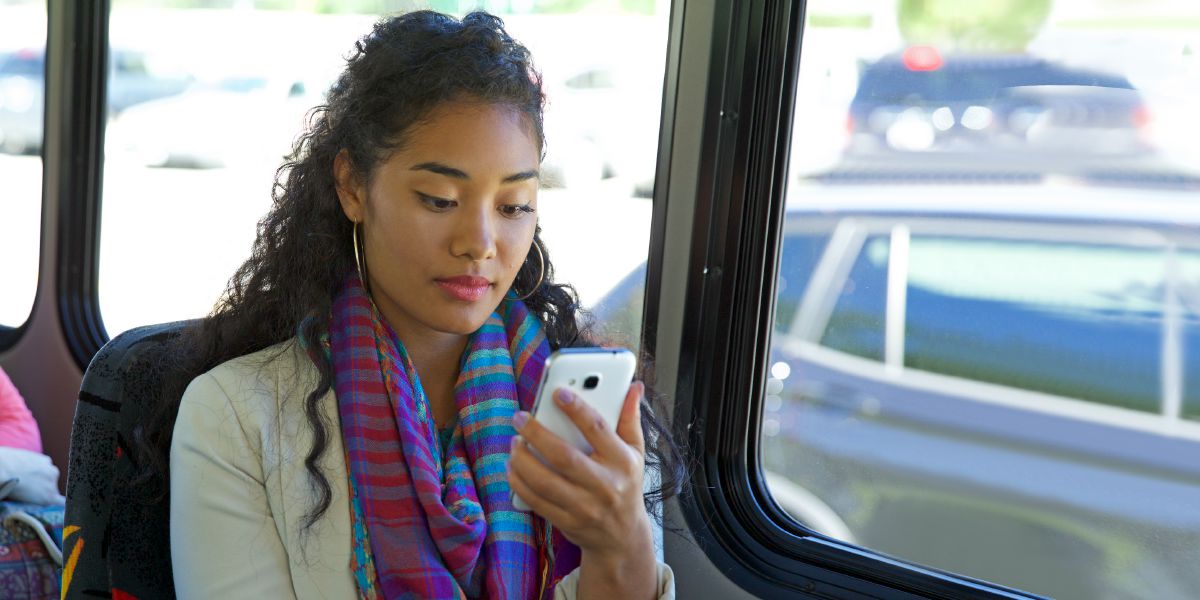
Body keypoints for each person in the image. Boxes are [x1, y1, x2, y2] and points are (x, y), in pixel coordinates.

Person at [152, 11, 685, 600]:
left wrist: (623, 547)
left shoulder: (594, 422)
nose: (480, 242)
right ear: (353, 187)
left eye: (513, 206)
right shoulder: (237, 418)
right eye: (439, 199)